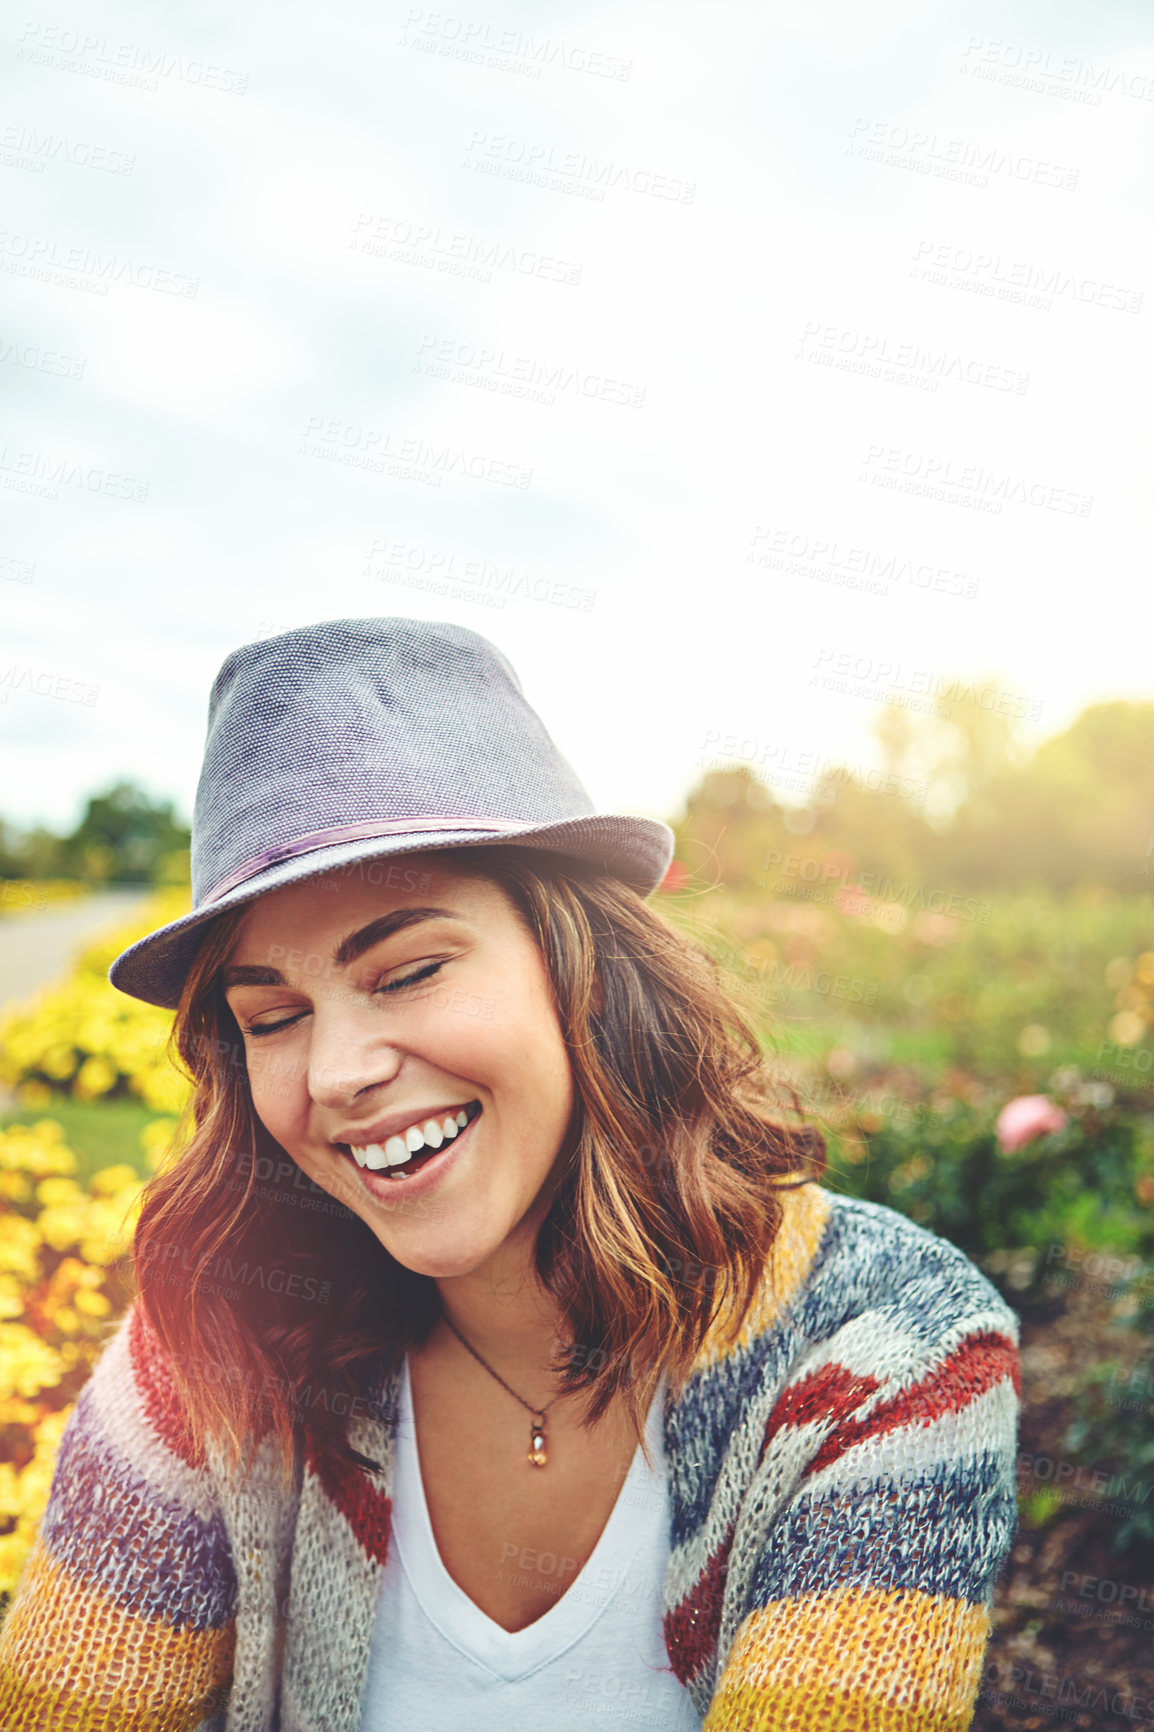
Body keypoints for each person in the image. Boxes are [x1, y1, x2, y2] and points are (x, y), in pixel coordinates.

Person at [0, 617, 1020, 1731]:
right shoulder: (221, 1332)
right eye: (273, 1016)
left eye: (410, 970)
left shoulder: (883, 1348)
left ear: (582, 966)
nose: (336, 1073)